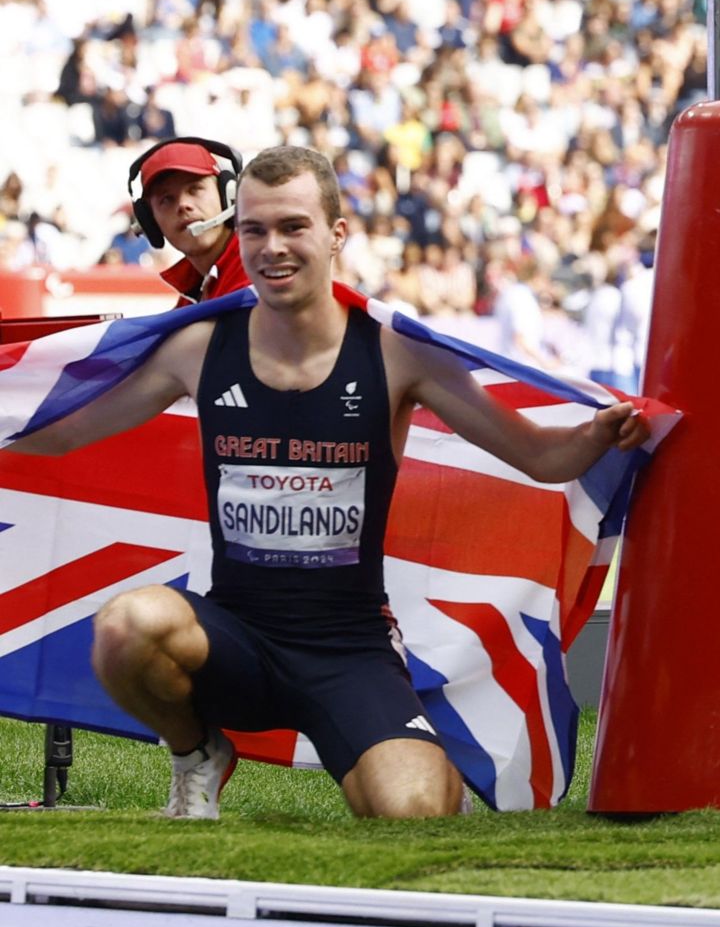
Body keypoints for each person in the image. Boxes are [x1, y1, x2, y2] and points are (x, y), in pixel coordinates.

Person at [9, 146, 650, 819]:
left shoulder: (397, 352)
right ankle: (197, 750)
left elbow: (542, 459)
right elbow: (63, 431)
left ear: (336, 235)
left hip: (349, 652)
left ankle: (407, 758)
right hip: (235, 640)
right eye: (254, 230)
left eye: (293, 227)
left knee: (415, 816)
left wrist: (601, 435)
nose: (271, 248)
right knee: (125, 627)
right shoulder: (198, 348)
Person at [128, 136, 249, 306]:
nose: (183, 205)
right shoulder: (192, 292)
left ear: (229, 195)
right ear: (150, 222)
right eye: (166, 199)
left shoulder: (258, 270)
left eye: (195, 189)